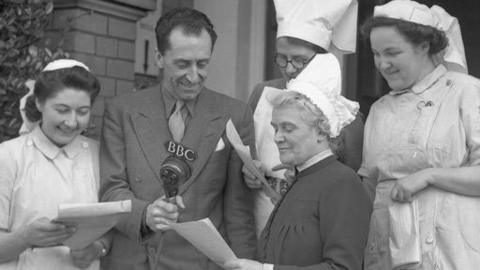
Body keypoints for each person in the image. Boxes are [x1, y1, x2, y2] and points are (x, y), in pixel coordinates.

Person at [99, 7, 257, 270]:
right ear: (160, 57)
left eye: (202, 64)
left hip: (201, 263)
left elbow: (238, 210)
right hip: (136, 259)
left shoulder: (235, 114)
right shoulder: (121, 110)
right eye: (182, 64)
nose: (194, 76)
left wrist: (246, 262)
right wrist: (145, 214)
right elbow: (111, 189)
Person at [359, 0, 480, 269]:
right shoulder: (379, 110)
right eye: (376, 54)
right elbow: (369, 188)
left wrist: (429, 176)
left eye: (392, 52)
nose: (383, 64)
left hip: (452, 252)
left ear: (423, 46)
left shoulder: (467, 92)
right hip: (387, 252)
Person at [225, 54, 371, 270]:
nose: (277, 137)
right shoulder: (299, 179)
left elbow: (343, 267)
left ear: (322, 131)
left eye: (288, 128)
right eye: (275, 127)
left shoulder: (342, 184)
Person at [243, 0, 365, 237]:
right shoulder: (262, 93)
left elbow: (349, 184)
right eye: (282, 58)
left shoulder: (345, 115)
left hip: (312, 224)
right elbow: (246, 152)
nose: (289, 68)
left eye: (299, 60)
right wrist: (249, 170)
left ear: (323, 58)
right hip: (261, 214)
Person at [0, 59, 110, 269]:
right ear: (40, 103)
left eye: (82, 112)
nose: (71, 122)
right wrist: (25, 238)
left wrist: (98, 248)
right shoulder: (8, 156)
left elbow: (116, 226)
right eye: (62, 110)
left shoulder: (100, 156)